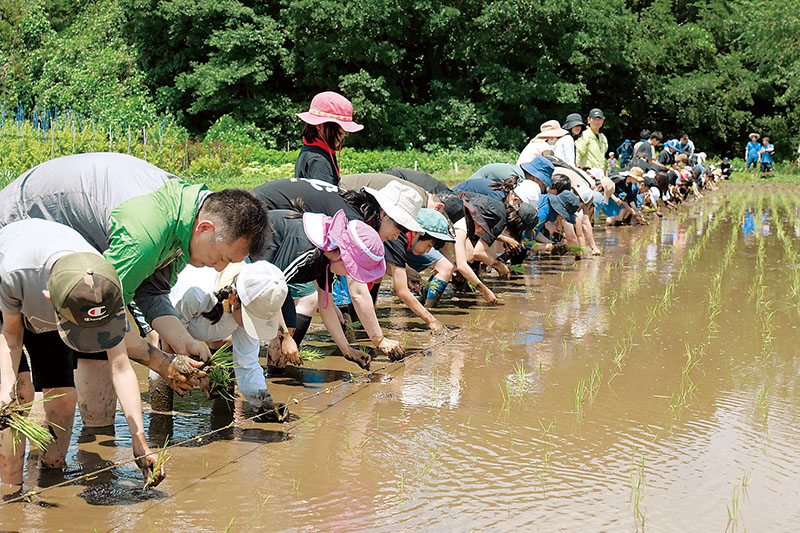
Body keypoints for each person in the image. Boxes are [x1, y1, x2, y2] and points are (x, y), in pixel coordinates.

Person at [0, 152, 267, 420]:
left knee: (92, 354)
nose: (220, 268)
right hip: (18, 239)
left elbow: (151, 290)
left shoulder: (186, 219)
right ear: (205, 229)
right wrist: (162, 363)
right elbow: (100, 315)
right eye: (223, 258)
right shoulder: (145, 234)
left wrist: (184, 341)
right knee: (25, 383)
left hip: (77, 251)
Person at [0, 219, 161, 488]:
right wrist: (5, 391)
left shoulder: (105, 287)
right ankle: (11, 491)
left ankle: (50, 478)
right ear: (50, 299)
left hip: (64, 303)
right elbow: (11, 337)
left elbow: (121, 367)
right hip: (8, 304)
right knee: (19, 396)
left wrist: (140, 442)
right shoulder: (16, 273)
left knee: (64, 401)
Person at [255, 208, 385, 368]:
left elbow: (326, 307)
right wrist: (286, 337)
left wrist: (347, 350)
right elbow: (271, 290)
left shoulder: (328, 258)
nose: (348, 275)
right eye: (350, 270)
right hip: (249, 262)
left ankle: (274, 375)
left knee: (289, 325)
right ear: (342, 257)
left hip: (272, 279)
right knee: (248, 331)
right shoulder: (306, 250)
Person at [383, 209, 456, 331]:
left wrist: (407, 274)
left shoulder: (402, 238)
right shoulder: (398, 238)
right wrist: (431, 321)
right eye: (429, 245)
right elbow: (402, 292)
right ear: (417, 233)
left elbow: (383, 263)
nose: (427, 251)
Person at [295, 91, 363, 185]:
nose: (344, 134)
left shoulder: (310, 150)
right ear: (320, 125)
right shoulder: (319, 161)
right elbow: (323, 194)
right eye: (340, 128)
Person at [575, 108, 608, 174]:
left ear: (602, 121)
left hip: (600, 174)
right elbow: (578, 154)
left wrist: (605, 173)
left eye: (599, 119)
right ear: (589, 119)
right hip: (588, 173)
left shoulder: (603, 137)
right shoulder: (585, 135)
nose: (597, 122)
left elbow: (603, 159)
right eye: (594, 119)